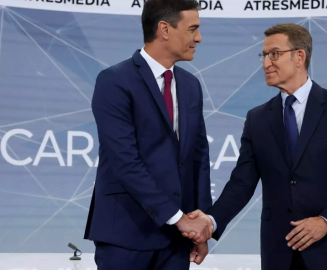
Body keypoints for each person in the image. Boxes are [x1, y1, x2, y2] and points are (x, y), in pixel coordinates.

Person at [186, 23, 327, 270]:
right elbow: (242, 183)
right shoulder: (257, 119)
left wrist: (326, 221)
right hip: (279, 254)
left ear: (300, 56)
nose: (266, 63)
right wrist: (211, 221)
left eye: (274, 54)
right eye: (264, 55)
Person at [84, 0, 214, 269]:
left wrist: (200, 223)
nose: (198, 38)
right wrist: (178, 218)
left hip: (177, 240)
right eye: (192, 29)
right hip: (125, 235)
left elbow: (198, 157)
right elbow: (125, 162)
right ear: (164, 29)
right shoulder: (115, 81)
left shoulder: (191, 86)